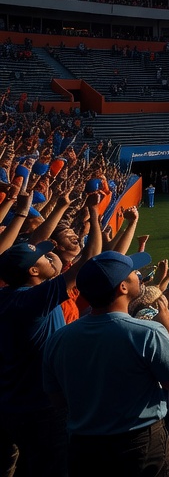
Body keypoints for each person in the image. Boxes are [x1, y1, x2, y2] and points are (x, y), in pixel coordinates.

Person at [44, 249, 169, 477]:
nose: (138, 275)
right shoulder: (147, 332)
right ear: (122, 287)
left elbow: (57, 399)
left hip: (84, 447)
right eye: (132, 273)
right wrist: (168, 325)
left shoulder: (58, 339)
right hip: (140, 443)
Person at [1, 193, 103, 477]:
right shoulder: (33, 300)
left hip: (11, 404)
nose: (51, 255)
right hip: (42, 408)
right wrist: (93, 214)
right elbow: (91, 259)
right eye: (45, 257)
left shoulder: (9, 296)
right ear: (33, 271)